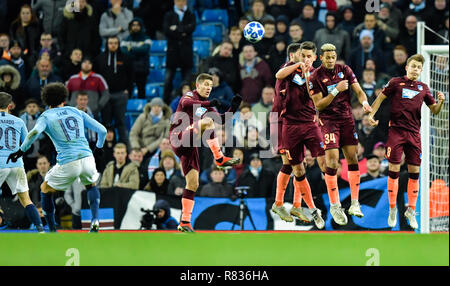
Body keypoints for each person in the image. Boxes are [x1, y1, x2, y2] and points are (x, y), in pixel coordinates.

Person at [7, 83, 107, 233]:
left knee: (45, 189)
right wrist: (98, 148)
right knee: (91, 185)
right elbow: (103, 130)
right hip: (87, 157)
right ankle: (95, 220)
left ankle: (52, 229)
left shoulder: (46, 116)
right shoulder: (76, 111)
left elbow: (34, 133)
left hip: (68, 161)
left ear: (46, 101)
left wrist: (21, 151)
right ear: (64, 99)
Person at [368, 54, 446, 229]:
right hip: (396, 131)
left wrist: (440, 102)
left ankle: (411, 209)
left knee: (414, 173)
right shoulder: (396, 82)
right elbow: (380, 98)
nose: (416, 69)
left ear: (421, 70)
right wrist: (370, 115)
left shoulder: (423, 88)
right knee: (393, 170)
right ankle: (393, 208)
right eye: (413, 66)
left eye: (419, 67)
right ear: (407, 67)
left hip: (414, 134)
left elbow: (434, 110)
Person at [169, 73, 242, 232]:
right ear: (198, 86)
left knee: (193, 183)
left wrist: (233, 108)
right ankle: (220, 158)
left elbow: (221, 120)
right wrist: (208, 103)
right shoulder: (190, 95)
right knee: (206, 122)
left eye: (211, 85)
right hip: (178, 137)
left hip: (190, 145)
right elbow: (187, 104)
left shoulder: (207, 105)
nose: (209, 87)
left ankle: (185, 222)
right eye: (206, 84)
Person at [309, 43, 372, 225]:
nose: (330, 60)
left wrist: (365, 103)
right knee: (333, 162)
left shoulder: (344, 69)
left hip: (347, 119)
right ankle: (335, 205)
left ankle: (354, 203)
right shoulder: (315, 77)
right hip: (328, 121)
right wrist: (337, 89)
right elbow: (318, 105)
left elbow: (358, 91)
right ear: (321, 57)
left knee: (352, 158)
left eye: (333, 57)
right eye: (327, 57)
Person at [270, 42, 325, 229]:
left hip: (300, 123)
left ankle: (296, 205)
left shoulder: (309, 74)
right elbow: (279, 75)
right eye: (300, 56)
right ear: (293, 56)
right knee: (290, 164)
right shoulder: (288, 69)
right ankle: (280, 203)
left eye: (307, 57)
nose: (304, 60)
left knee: (298, 166)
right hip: (281, 121)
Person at [0, 92, 44, 232]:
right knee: (26, 199)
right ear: (9, 106)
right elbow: (29, 141)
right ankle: (41, 229)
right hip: (16, 164)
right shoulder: (19, 121)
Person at [94, 36, 133, 145]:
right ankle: (106, 149)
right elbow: (96, 77)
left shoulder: (125, 58)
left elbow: (131, 76)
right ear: (107, 44)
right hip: (105, 95)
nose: (113, 45)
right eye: (111, 43)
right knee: (106, 123)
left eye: (115, 43)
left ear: (118, 44)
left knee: (121, 123)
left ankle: (124, 147)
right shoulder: (100, 59)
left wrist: (128, 90)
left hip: (121, 94)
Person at [162, 0, 196, 104]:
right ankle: (165, 104)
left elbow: (191, 28)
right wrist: (183, 31)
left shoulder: (190, 14)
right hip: (172, 54)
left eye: (183, 0)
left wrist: (176, 29)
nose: (181, 2)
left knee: (187, 82)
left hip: (186, 54)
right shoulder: (168, 15)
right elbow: (166, 30)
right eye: (178, 0)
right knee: (167, 81)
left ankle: (188, 103)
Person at [120, 17, 152, 99]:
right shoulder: (126, 39)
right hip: (129, 69)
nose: (135, 27)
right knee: (128, 91)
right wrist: (137, 51)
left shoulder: (146, 38)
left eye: (138, 25)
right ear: (130, 26)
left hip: (142, 69)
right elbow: (124, 52)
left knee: (141, 91)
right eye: (133, 25)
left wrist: (131, 49)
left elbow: (144, 50)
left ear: (141, 26)